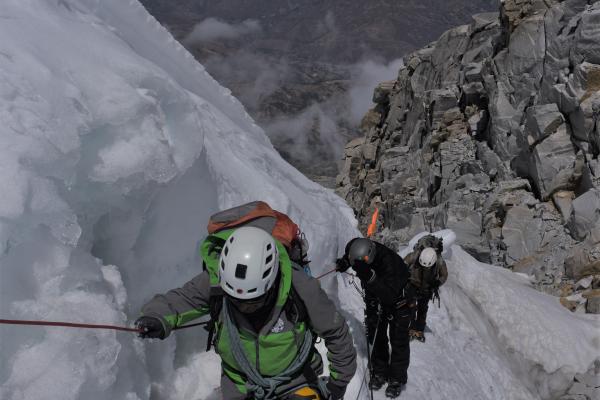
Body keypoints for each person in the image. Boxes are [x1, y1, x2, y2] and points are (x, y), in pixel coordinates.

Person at [136, 226, 356, 400]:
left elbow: (336, 331)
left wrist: (338, 383)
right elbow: (182, 299)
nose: (245, 308)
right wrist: (157, 316)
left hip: (295, 380)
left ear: (271, 282)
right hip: (239, 383)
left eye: (254, 301)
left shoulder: (300, 287)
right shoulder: (216, 281)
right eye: (237, 301)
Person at [336, 238, 413, 398]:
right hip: (375, 296)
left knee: (398, 340)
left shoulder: (390, 264)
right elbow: (353, 253)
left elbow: (389, 296)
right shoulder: (359, 246)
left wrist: (370, 276)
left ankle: (396, 379)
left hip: (398, 300)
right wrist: (346, 261)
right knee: (375, 334)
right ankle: (380, 371)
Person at [403, 237, 448, 343]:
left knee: (423, 308)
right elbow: (403, 263)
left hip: (428, 286)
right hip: (413, 283)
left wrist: (437, 283)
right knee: (411, 305)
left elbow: (444, 275)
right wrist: (403, 274)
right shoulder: (415, 255)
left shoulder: (439, 260)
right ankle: (410, 327)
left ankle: (419, 330)